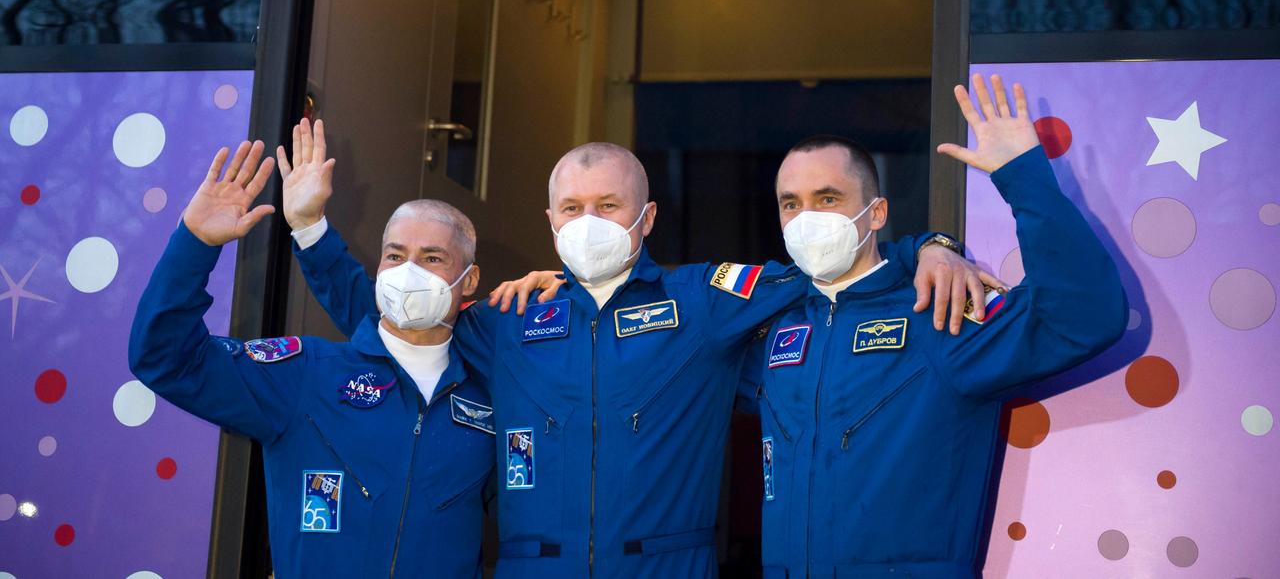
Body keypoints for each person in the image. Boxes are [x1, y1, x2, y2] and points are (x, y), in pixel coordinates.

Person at [283, 119, 999, 578]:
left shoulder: (704, 301)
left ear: (646, 215)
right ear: (550, 220)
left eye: (608, 206)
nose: (588, 222)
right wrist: (313, 231)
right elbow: (392, 321)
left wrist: (928, 247)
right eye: (572, 208)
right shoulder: (510, 318)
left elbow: (834, 261)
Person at [740, 74, 1128, 577]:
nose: (807, 217)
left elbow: (1084, 316)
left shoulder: (937, 310)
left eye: (828, 198)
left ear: (876, 213)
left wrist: (1022, 176)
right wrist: (925, 246)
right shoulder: (776, 329)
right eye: (791, 203)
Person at [128, 140, 494, 579]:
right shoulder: (307, 373)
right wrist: (196, 243)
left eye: (432, 258)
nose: (407, 271)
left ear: (468, 279)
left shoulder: (494, 394)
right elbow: (164, 358)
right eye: (395, 256)